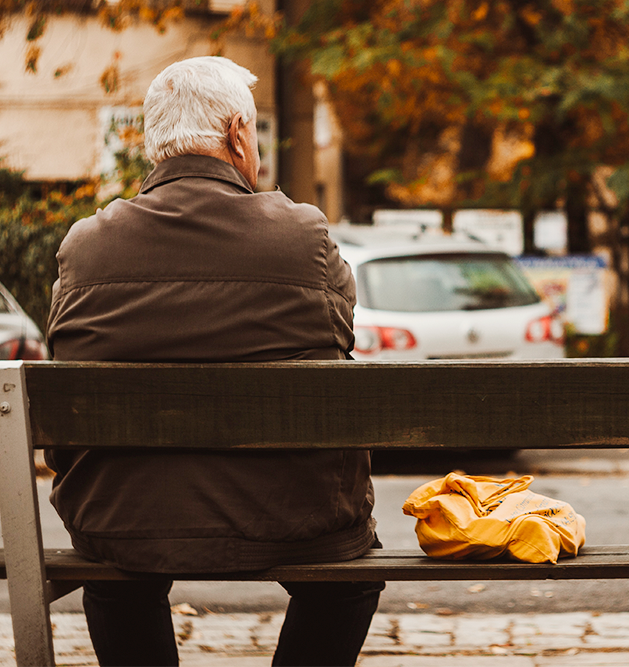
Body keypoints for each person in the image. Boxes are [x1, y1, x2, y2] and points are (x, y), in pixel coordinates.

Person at [45, 56, 382, 666]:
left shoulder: (86, 246)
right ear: (237, 134)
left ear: (154, 144)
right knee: (347, 579)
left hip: (123, 521)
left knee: (115, 574)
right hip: (295, 518)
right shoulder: (303, 236)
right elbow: (338, 338)